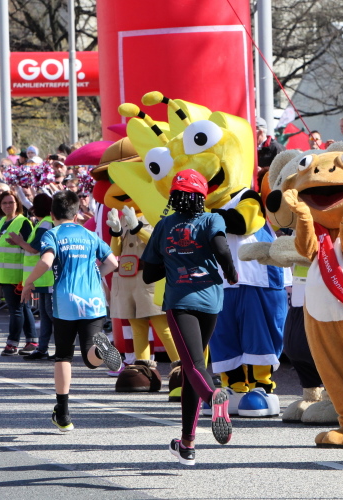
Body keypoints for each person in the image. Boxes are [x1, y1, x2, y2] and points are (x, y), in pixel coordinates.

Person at [141, 169, 238, 465]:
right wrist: (231, 273)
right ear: (202, 196)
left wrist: (173, 260)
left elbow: (148, 274)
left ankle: (213, 399)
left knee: (193, 365)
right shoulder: (212, 219)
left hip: (180, 301)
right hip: (210, 301)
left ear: (174, 196)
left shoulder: (164, 225)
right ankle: (187, 444)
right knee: (193, 369)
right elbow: (221, 247)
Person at [21, 190, 121, 432]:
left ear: (52, 214)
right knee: (89, 355)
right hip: (94, 300)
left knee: (63, 355)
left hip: (66, 301)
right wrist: (96, 275)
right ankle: (101, 350)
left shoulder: (52, 234)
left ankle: (63, 414)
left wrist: (29, 282)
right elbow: (113, 263)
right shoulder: (89, 235)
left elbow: (46, 261)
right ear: (76, 214)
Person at [0, 191, 38, 355]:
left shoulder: (23, 223)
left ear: (18, 204)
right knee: (22, 308)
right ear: (0, 206)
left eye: (11, 202)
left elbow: (31, 249)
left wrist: (19, 242)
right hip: (3, 274)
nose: (8, 205)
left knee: (17, 309)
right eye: (4, 203)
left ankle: (12, 343)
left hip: (18, 274)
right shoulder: (1, 222)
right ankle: (31, 341)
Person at [9, 193, 56, 360]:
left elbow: (34, 249)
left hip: (47, 277)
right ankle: (42, 349)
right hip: (43, 278)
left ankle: (61, 348)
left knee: (51, 315)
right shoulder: (44, 223)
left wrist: (19, 241)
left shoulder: (45, 224)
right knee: (46, 316)